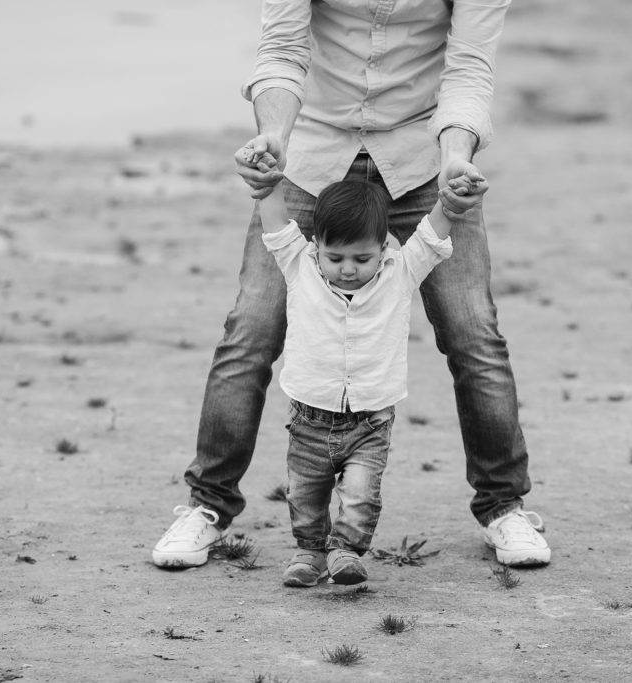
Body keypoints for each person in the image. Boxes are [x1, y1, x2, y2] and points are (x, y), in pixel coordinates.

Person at [151, 0, 550, 571]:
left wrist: (455, 162)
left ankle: (504, 507)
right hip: (311, 152)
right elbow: (283, 51)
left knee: (472, 332)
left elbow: (468, 67)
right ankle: (206, 505)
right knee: (252, 329)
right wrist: (272, 136)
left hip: (423, 159)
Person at [249, 150, 460, 586]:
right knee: (305, 493)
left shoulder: (400, 273)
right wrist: (266, 184)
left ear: (382, 248)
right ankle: (309, 552)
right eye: (335, 257)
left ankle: (345, 551)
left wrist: (452, 204)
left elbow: (430, 239)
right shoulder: (299, 267)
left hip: (371, 419)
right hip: (309, 416)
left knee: (360, 496)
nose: (347, 270)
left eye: (362, 260)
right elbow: (276, 228)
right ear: (317, 248)